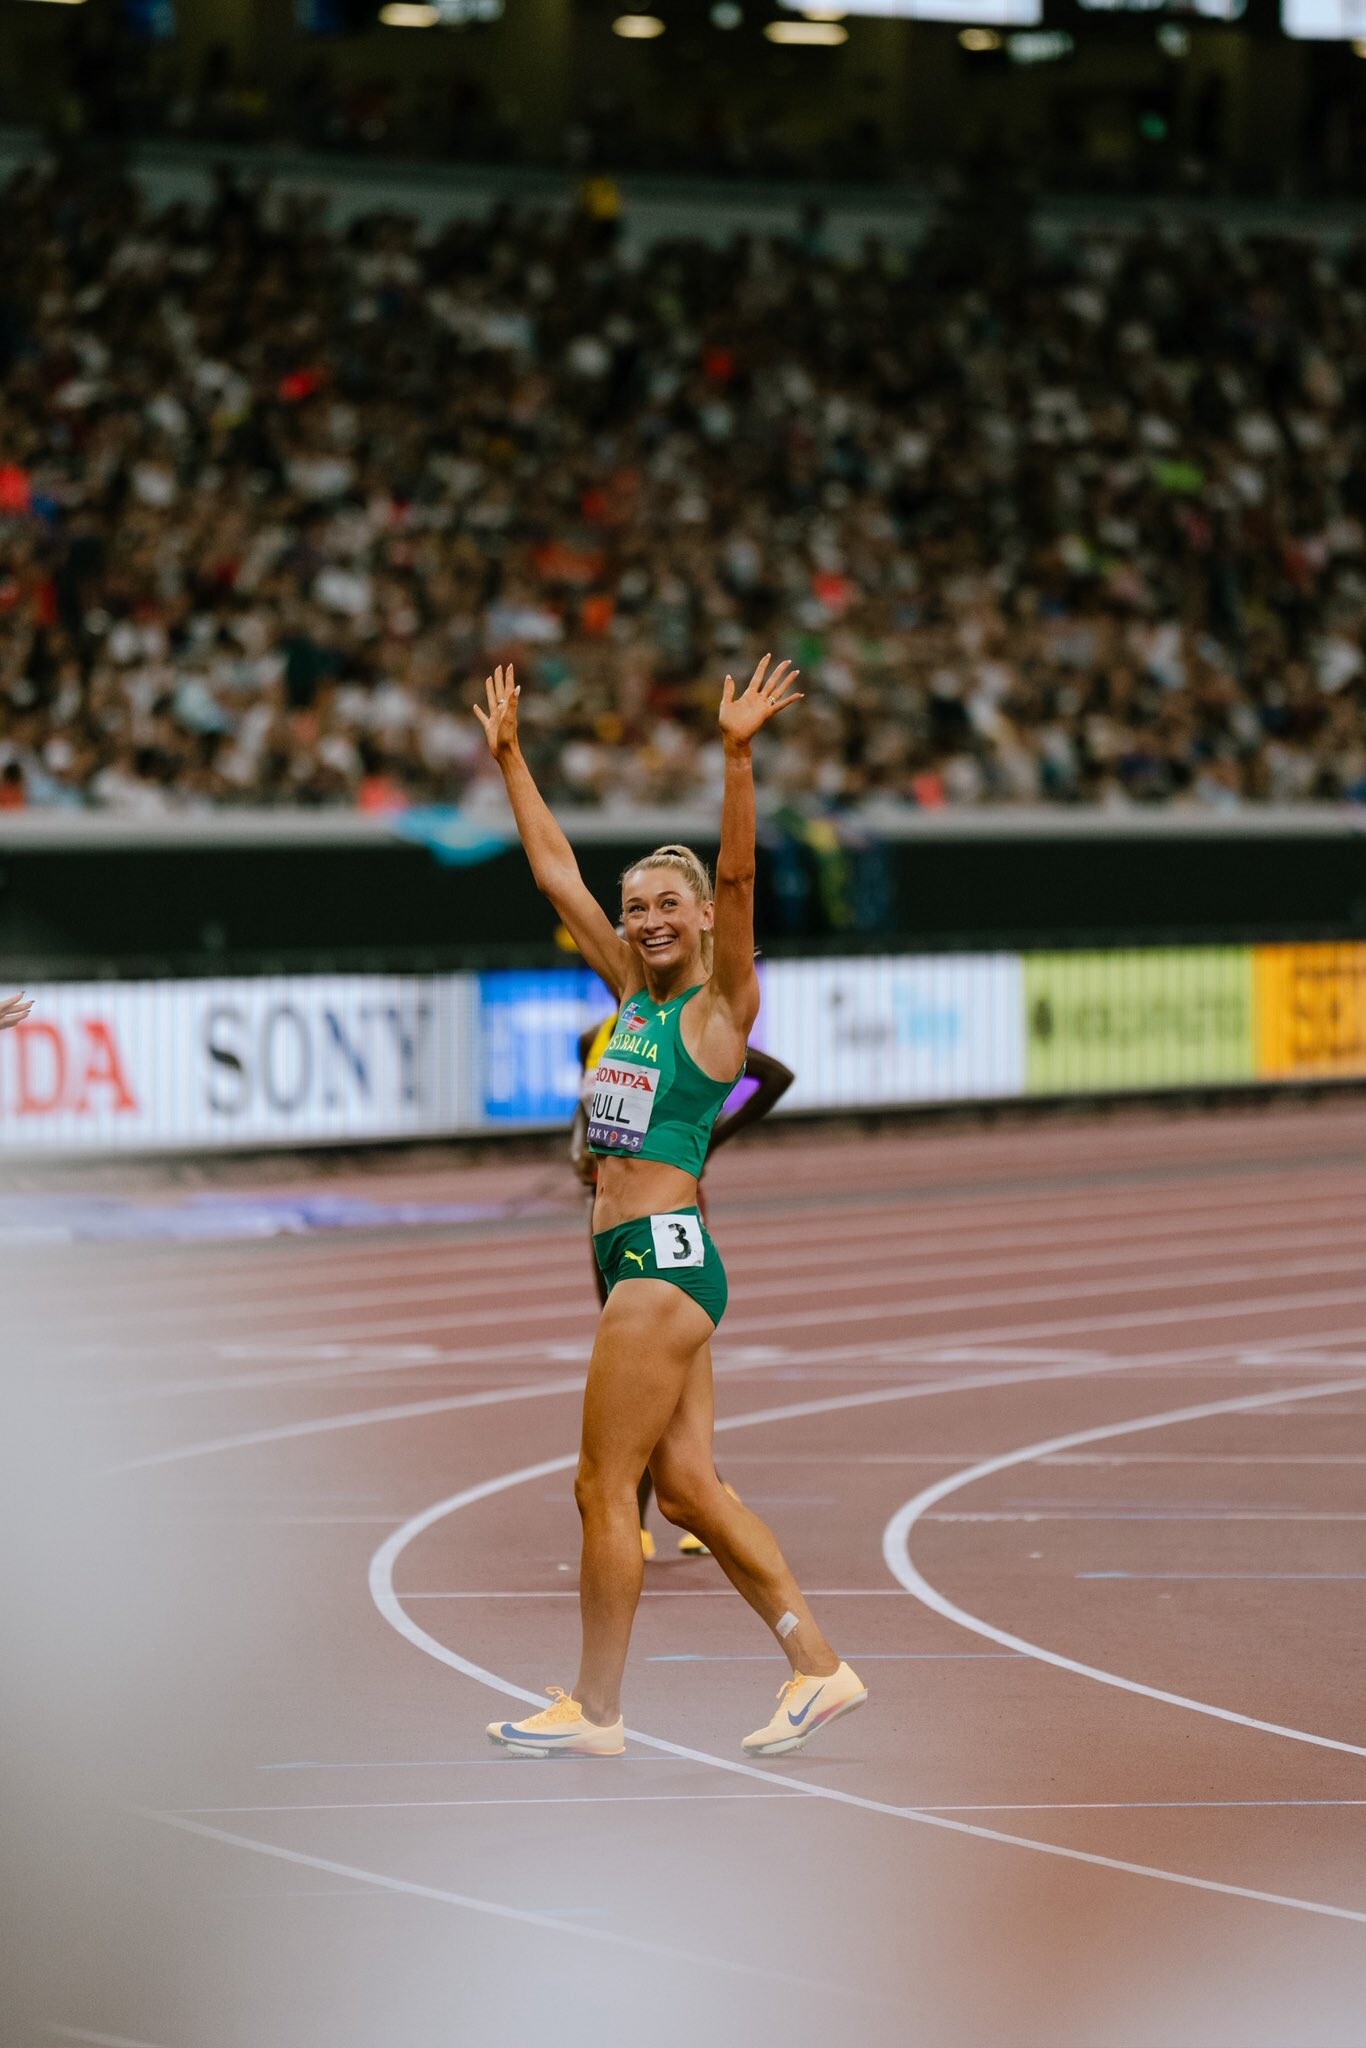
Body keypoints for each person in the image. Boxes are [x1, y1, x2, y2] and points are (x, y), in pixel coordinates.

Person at [475, 656, 867, 1759]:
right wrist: (511, 760)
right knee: (686, 1491)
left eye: (666, 906)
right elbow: (556, 874)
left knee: (602, 1486)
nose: (646, 921)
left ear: (699, 918)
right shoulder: (632, 998)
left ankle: (595, 1711)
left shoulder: (716, 1010)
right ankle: (818, 1667)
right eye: (635, 907)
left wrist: (737, 758)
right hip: (649, 1261)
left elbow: (738, 878)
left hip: (658, 1262)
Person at [570, 996, 795, 1558]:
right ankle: (690, 1493)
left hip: (667, 1211)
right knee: (638, 1364)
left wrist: (712, 1137)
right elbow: (590, 1111)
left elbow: (774, 1076)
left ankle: (680, 1500)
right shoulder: (597, 1039)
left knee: (652, 1357)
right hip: (610, 1211)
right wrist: (582, 1154)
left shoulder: (688, 1027)